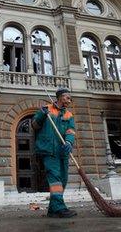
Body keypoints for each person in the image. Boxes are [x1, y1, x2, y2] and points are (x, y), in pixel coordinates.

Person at [32, 88, 77, 218]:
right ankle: (60, 208)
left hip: (62, 151)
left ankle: (53, 210)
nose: (69, 100)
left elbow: (70, 131)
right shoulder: (46, 109)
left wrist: (68, 143)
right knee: (55, 178)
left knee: (63, 179)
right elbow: (34, 125)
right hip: (49, 150)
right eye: (67, 98)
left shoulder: (69, 115)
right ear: (60, 97)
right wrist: (41, 115)